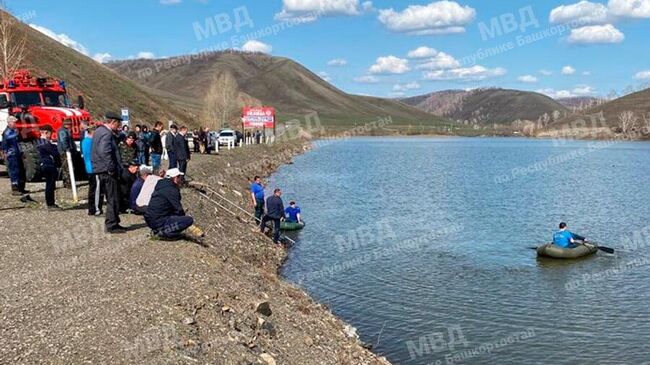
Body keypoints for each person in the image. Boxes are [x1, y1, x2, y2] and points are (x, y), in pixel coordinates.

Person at [92, 112, 127, 234]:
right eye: (118, 123)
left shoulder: (98, 131)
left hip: (100, 168)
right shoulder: (106, 134)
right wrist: (111, 168)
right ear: (112, 122)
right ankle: (112, 224)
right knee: (113, 197)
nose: (119, 126)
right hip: (107, 170)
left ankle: (115, 220)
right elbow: (104, 152)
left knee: (112, 196)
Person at [144, 168, 200, 239]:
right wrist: (181, 219)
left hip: (150, 219)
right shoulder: (172, 190)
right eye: (180, 177)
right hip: (158, 220)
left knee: (175, 216)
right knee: (188, 220)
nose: (181, 179)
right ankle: (162, 233)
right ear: (175, 178)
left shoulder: (161, 185)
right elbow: (178, 209)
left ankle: (159, 229)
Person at [36, 125, 62, 210]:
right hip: (48, 164)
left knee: (51, 184)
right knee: (50, 185)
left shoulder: (41, 142)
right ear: (46, 132)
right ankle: (50, 203)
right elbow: (54, 152)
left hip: (47, 164)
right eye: (50, 133)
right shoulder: (43, 143)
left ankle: (51, 202)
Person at [2, 116, 27, 197]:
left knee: (21, 171)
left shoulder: (14, 131)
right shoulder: (7, 132)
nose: (16, 124)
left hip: (18, 153)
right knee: (14, 171)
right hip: (12, 155)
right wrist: (5, 153)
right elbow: (4, 145)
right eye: (14, 122)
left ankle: (21, 188)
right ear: (9, 123)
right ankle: (15, 189)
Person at [81, 126, 103, 216]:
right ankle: (96, 208)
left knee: (91, 189)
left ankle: (91, 208)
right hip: (94, 168)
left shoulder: (84, 141)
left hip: (88, 167)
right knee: (97, 189)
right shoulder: (92, 142)